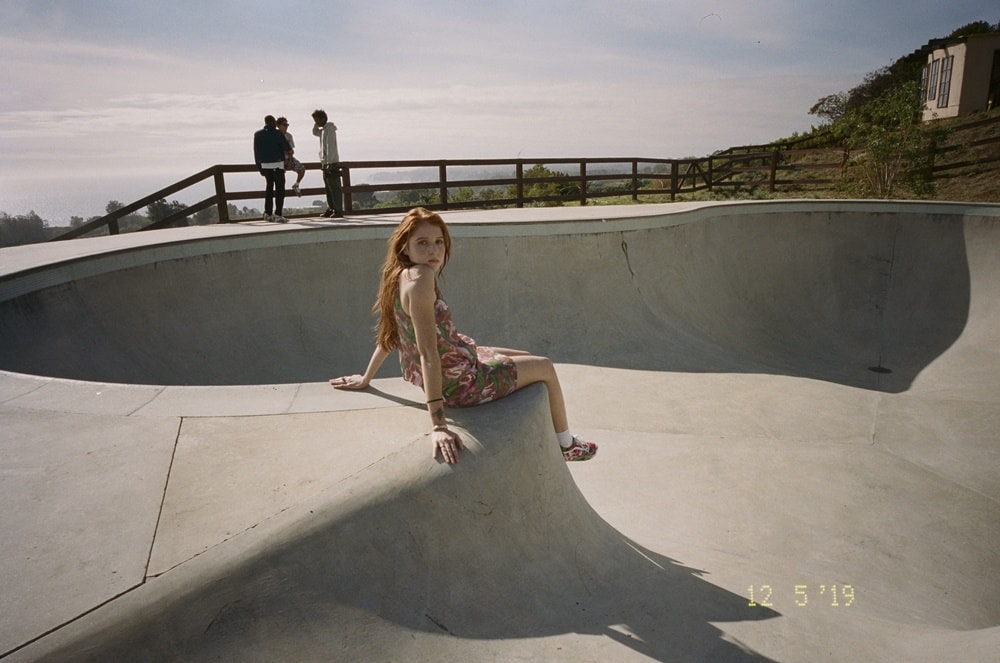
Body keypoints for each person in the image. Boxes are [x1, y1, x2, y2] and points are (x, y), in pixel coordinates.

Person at [329, 207, 597, 465]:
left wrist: (366, 378)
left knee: (526, 357)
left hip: (459, 358)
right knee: (545, 366)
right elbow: (427, 354)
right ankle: (567, 445)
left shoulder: (398, 275)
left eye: (439, 242)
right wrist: (439, 426)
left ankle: (560, 438)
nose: (433, 250)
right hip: (461, 384)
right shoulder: (421, 279)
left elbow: (392, 335)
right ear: (405, 247)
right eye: (422, 243)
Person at [253, 115, 291, 223]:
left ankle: (268, 213)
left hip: (265, 165)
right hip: (277, 164)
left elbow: (256, 152)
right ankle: (278, 214)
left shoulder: (258, 135)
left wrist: (259, 167)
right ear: (273, 122)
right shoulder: (277, 133)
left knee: (269, 188)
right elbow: (287, 148)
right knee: (280, 190)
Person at [311, 109, 344, 217]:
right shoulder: (323, 130)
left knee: (334, 188)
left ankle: (338, 210)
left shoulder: (329, 129)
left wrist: (329, 162)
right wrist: (316, 123)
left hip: (331, 163)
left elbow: (331, 146)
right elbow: (314, 132)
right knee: (328, 188)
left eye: (317, 120)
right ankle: (331, 208)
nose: (316, 122)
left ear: (323, 119)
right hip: (326, 163)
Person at [276, 116, 306, 195]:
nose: (286, 127)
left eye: (287, 125)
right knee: (280, 178)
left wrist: (289, 161)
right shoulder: (275, 136)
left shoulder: (289, 136)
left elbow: (291, 150)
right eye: (284, 125)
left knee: (302, 169)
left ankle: (296, 184)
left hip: (288, 158)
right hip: (278, 160)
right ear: (278, 125)